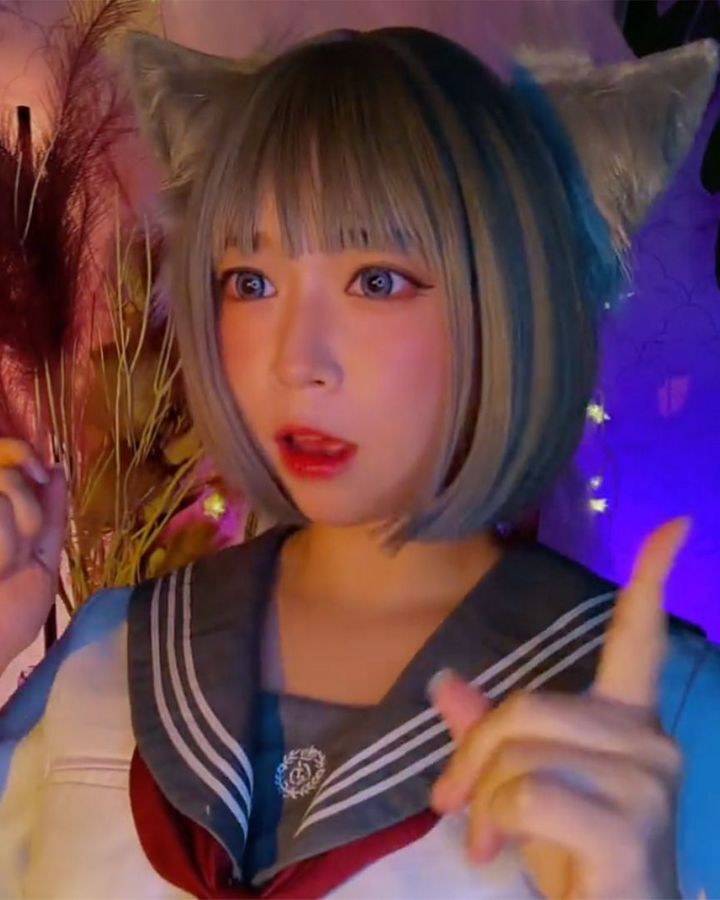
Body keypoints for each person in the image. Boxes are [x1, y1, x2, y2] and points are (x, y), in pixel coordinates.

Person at [0, 25, 719, 899]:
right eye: (251, 282)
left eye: (377, 281)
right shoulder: (107, 651)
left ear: (509, 296)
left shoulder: (662, 715)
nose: (295, 360)